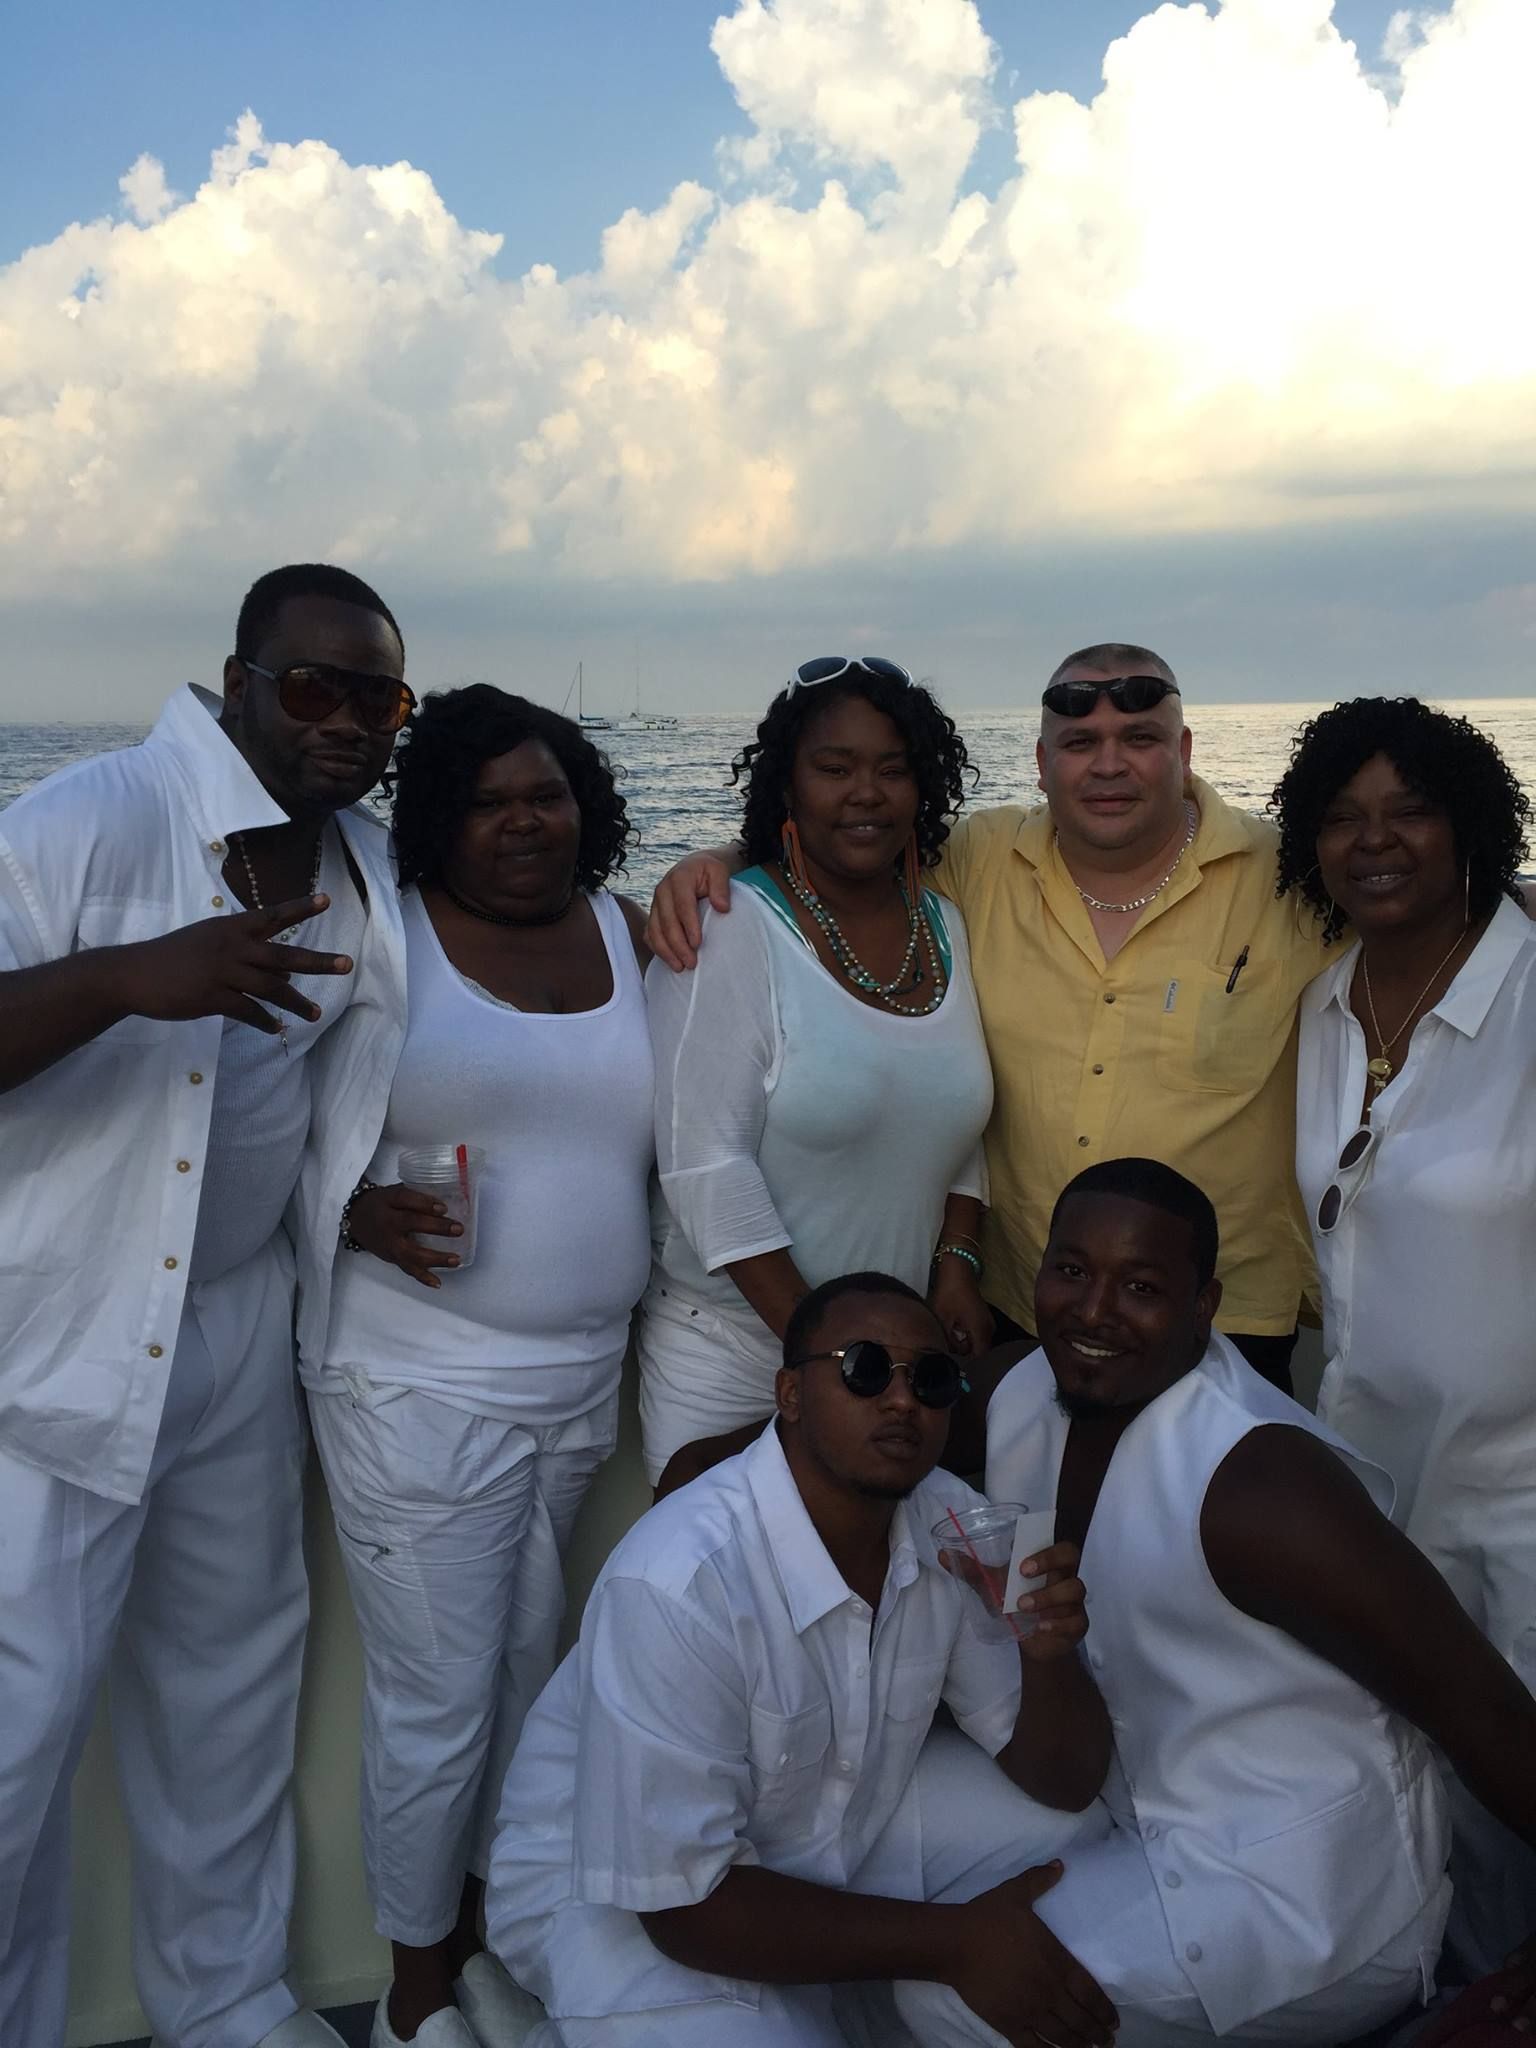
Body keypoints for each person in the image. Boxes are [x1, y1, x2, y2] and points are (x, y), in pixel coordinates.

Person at [0, 564, 413, 2048]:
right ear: (239, 686)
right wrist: (129, 978)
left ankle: (228, 2000)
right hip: (65, 1330)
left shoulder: (363, 861)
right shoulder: (89, 821)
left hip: (244, 1320)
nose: (347, 721)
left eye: (380, 700)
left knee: (230, 1683)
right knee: (21, 1719)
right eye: (313, 687)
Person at [894, 1158, 1536, 2048]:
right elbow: (897, 1418)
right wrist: (734, 1462)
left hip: (1296, 1891)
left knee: (951, 1995)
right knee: (872, 1834)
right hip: (1118, 1788)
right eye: (1071, 1270)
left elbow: (1485, 1712)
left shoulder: (1261, 1489)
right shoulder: (1024, 1386)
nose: (1093, 1311)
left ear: (1205, 1306)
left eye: (1142, 1287)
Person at [647, 644, 1328, 1393]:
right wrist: (720, 860)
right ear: (1041, 762)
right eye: (1080, 743)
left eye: (1140, 738)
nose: (1108, 766)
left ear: (1185, 749)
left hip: (1220, 1319)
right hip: (1022, 1309)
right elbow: (843, 848)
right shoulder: (980, 861)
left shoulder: (1292, 878)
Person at [487, 1268, 1121, 2048]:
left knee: (1075, 1826)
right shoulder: (679, 1581)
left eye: (930, 1379)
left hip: (815, 1832)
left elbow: (1061, 1780)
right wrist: (956, 1943)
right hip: (622, 1891)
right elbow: (682, 1909)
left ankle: (864, 1983)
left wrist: (1049, 1652)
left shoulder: (952, 1521)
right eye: (864, 1369)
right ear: (789, 1394)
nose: (901, 1400)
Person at [302, 687, 655, 2048]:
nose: (523, 822)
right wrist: (346, 1210)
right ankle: (411, 1993)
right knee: (439, 1704)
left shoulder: (628, 932)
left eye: (546, 794)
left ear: (585, 805)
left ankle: (485, 1943)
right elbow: (257, 1115)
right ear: (435, 820)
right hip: (413, 1385)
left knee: (523, 1679)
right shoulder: (385, 939)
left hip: (578, 1382)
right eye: (487, 801)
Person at [1274, 696, 1536, 1981]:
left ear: (1472, 826)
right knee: (1442, 1783)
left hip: (1525, 1485)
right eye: (1342, 818)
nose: (1374, 841)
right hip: (1378, 1481)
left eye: (1410, 811)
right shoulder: (1326, 1002)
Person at [639, 656, 994, 1483]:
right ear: (788, 787)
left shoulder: (944, 924)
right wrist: (826, 1350)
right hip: (732, 1354)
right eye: (834, 769)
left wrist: (955, 1268)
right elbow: (705, 1168)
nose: (866, 793)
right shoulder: (727, 927)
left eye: (893, 770)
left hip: (891, 1368)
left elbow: (953, 1120)